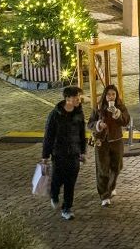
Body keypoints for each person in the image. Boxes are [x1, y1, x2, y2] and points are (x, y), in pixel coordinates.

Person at [41, 86, 87, 220]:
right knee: (57, 179)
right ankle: (54, 194)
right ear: (67, 98)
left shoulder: (79, 113)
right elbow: (48, 136)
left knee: (70, 182)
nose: (78, 99)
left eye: (79, 96)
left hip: (74, 153)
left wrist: (83, 152)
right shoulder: (55, 114)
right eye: (75, 97)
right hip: (59, 154)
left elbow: (82, 134)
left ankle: (67, 208)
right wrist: (45, 156)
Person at [88, 83, 130, 206]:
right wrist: (98, 125)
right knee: (102, 169)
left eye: (113, 94)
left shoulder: (120, 107)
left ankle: (111, 187)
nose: (111, 97)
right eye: (108, 94)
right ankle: (104, 195)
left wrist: (117, 113)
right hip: (101, 142)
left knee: (117, 167)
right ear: (104, 95)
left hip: (116, 141)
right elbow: (90, 123)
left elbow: (125, 121)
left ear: (116, 96)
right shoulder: (99, 107)